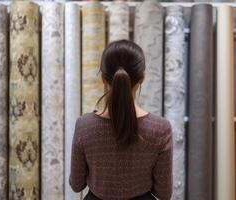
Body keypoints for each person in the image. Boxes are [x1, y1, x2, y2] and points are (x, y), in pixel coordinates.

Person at [69, 40, 173, 200]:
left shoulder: (84, 126)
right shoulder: (160, 129)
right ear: (142, 78)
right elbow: (164, 193)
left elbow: (76, 185)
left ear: (103, 78)